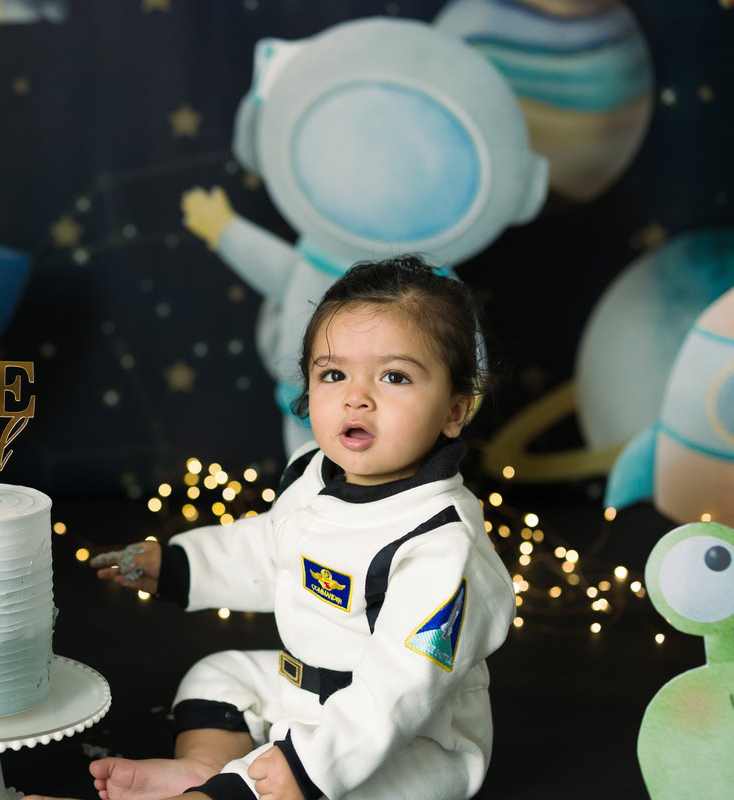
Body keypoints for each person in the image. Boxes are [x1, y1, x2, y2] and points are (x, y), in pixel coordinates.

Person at [77, 256, 514, 800]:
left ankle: (234, 789)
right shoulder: (310, 473)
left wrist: (307, 767)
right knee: (219, 675)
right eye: (334, 374)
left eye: (394, 376)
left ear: (454, 409)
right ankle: (206, 768)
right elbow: (269, 546)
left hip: (405, 740)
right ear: (308, 392)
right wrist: (179, 565)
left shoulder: (442, 546)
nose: (357, 397)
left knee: (339, 787)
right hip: (302, 688)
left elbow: (398, 692)